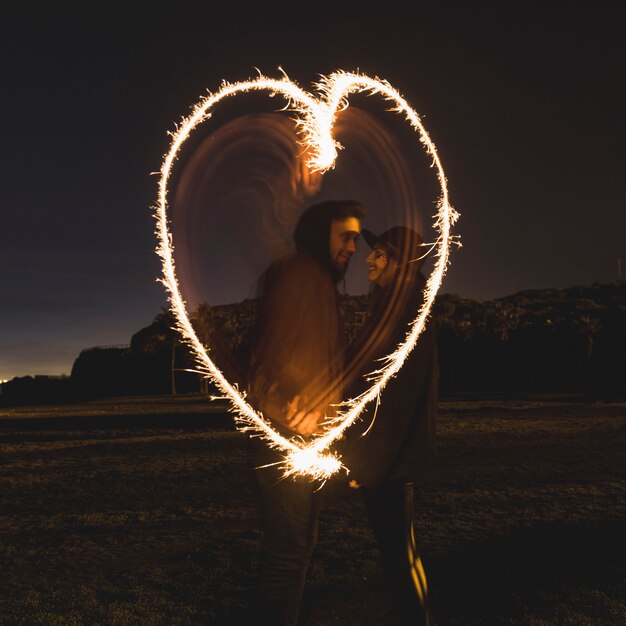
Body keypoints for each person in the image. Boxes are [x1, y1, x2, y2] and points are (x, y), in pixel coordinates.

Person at [246, 199, 365, 625]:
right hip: (287, 441)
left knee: (296, 549)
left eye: (356, 237)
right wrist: (283, 407)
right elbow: (261, 361)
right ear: (321, 234)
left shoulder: (322, 286)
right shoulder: (297, 276)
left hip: (308, 442)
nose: (354, 246)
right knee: (286, 555)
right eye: (346, 236)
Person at [341, 225, 438, 626]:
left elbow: (387, 392)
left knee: (398, 556)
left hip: (388, 457)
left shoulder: (400, 309)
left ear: (399, 262)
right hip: (395, 454)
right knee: (403, 552)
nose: (368, 259)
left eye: (379, 253)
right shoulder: (405, 304)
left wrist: (365, 461)